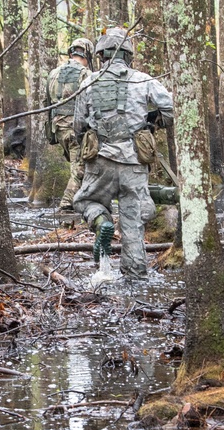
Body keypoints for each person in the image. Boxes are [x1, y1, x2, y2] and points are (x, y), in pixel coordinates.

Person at [73, 27, 174, 280]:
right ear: (128, 55)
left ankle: (101, 222)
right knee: (133, 223)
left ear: (101, 55)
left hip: (100, 161)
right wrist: (152, 121)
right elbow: (172, 108)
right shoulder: (143, 79)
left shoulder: (89, 81)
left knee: (84, 201)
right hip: (134, 164)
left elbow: (78, 126)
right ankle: (135, 277)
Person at [45, 37, 95, 211]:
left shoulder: (53, 73)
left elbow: (47, 105)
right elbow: (92, 104)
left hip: (58, 129)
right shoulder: (86, 75)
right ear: (87, 54)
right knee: (80, 169)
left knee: (78, 165)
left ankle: (82, 205)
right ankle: (66, 205)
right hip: (76, 130)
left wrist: (51, 134)